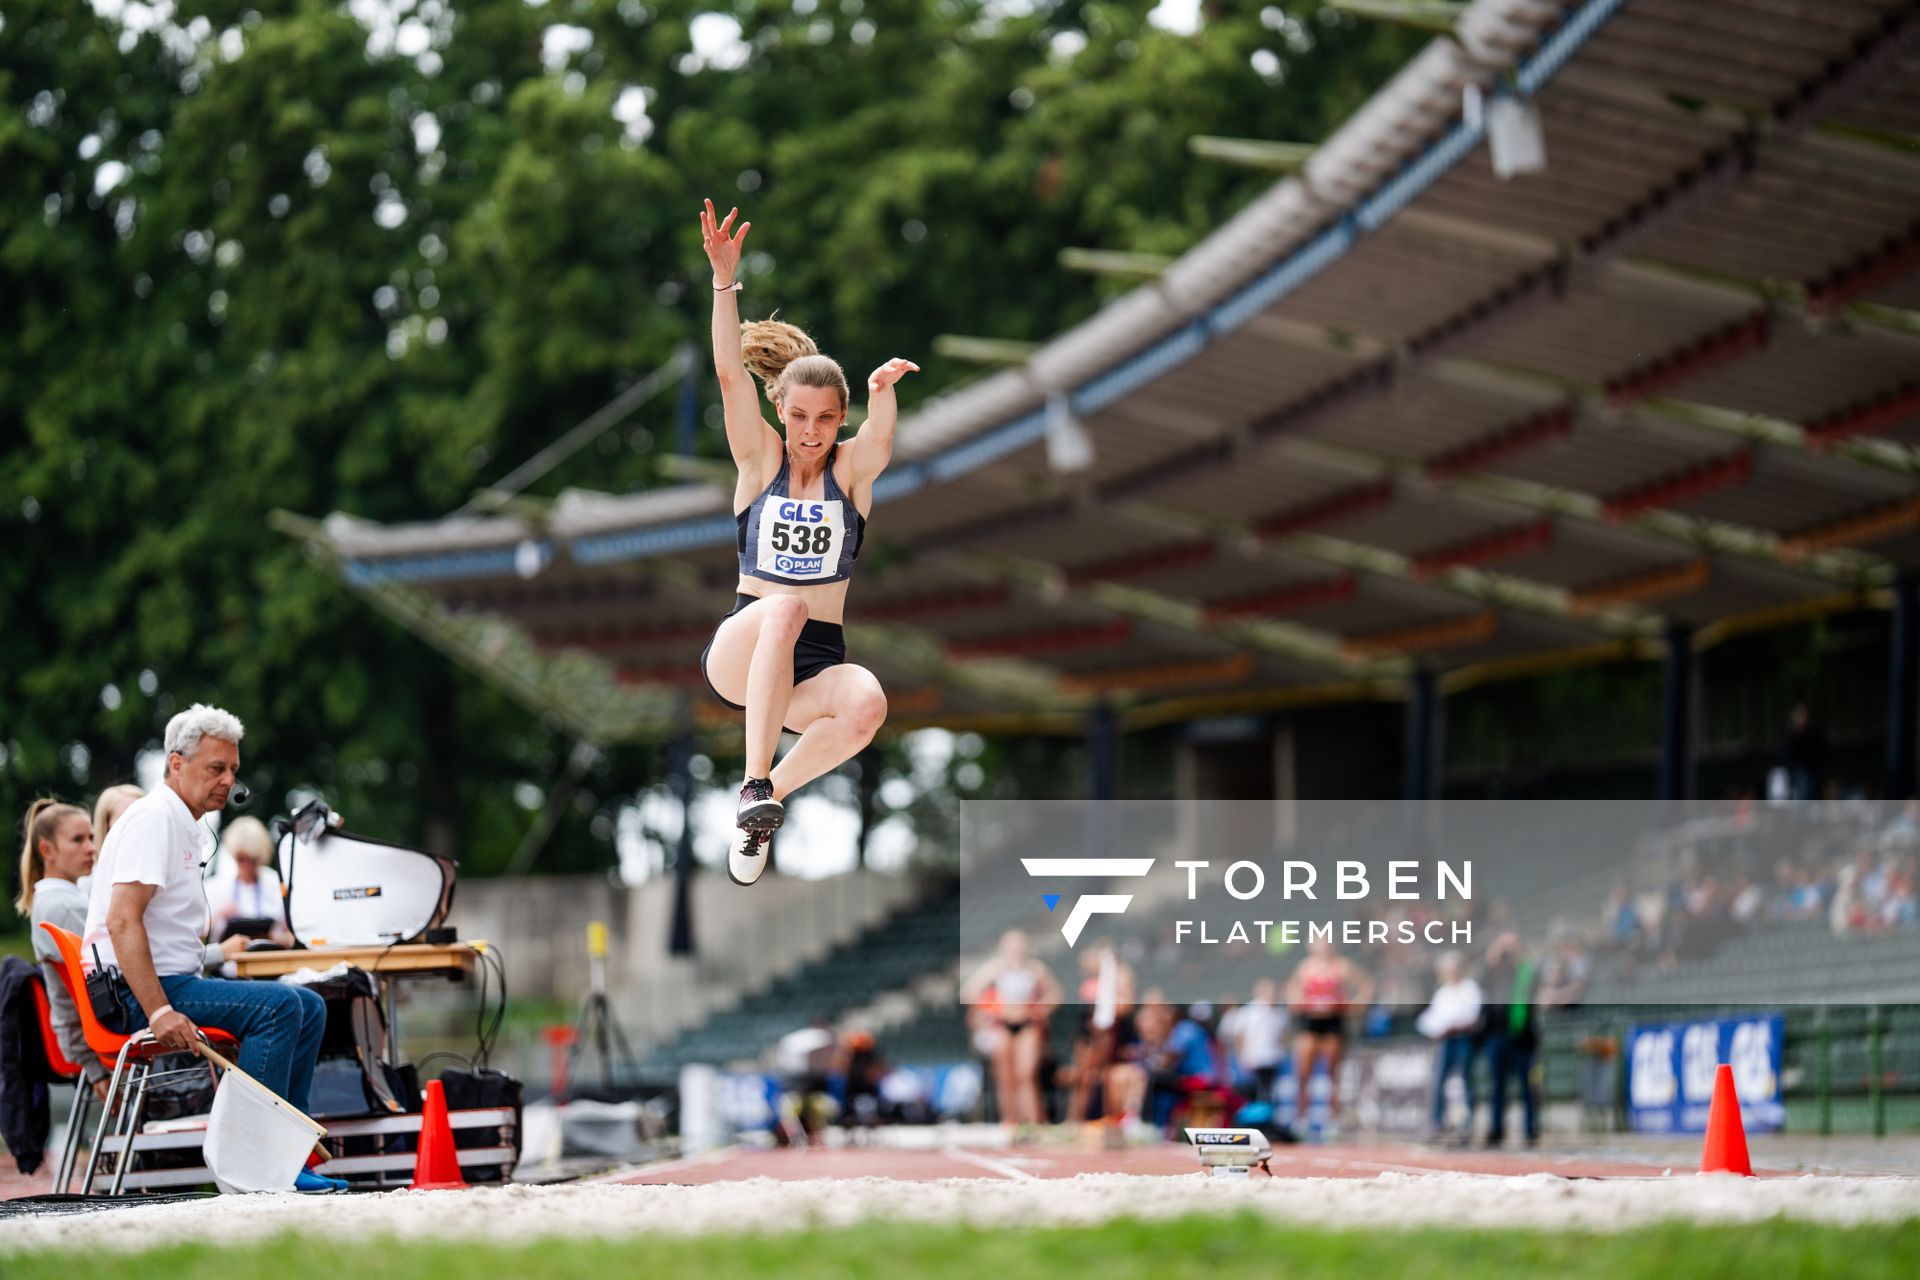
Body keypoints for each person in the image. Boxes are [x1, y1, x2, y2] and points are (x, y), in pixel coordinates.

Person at [696, 199, 918, 886]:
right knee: (787, 605)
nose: (811, 431)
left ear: (839, 417)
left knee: (866, 706)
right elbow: (731, 374)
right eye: (798, 416)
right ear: (780, 412)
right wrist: (723, 283)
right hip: (746, 646)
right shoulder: (759, 463)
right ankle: (754, 780)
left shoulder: (850, 473)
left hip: (812, 666)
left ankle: (764, 807)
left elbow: (879, 441)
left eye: (826, 419)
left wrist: (883, 394)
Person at [79, 704, 344, 1192]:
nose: (227, 780)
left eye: (233, 769)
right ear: (176, 764)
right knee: (281, 1007)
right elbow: (121, 920)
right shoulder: (153, 819)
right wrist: (158, 1012)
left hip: (169, 982)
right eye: (215, 768)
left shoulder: (185, 823)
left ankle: (288, 1156)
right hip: (136, 994)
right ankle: (256, 1165)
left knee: (309, 1003)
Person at [16, 799, 111, 1097]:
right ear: (47, 850)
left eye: (92, 838)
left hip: (90, 1042)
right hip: (99, 1042)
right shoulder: (64, 907)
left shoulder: (59, 900)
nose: (91, 848)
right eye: (78, 840)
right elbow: (120, 971)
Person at [960, 930, 1060, 1132]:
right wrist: (993, 1010)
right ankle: (1011, 1122)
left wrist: (1038, 1010)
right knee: (1005, 1077)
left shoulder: (1035, 968)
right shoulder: (996, 968)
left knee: (1025, 1074)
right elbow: (969, 991)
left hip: (1027, 1026)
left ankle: (1034, 1122)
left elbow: (1055, 994)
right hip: (1003, 1026)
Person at [1285, 938, 1372, 1131]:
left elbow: (1365, 984)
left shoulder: (1340, 965)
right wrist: (1295, 1001)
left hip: (1333, 1022)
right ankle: (1301, 1119)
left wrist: (1357, 1005)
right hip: (1310, 1021)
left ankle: (1333, 1120)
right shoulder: (1306, 966)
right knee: (1303, 1072)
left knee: (1332, 1073)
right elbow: (1292, 987)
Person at [1478, 931, 1539, 1148]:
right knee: (1497, 1086)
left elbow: (1533, 989)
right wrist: (1492, 957)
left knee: (1526, 1085)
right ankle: (1496, 1129)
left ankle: (1530, 1129)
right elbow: (1482, 985)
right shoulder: (1493, 972)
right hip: (1496, 1035)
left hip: (1522, 1037)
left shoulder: (1526, 970)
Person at [1417, 952, 1483, 1143]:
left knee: (1465, 1081)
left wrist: (1454, 1024)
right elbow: (1433, 1017)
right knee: (1439, 1082)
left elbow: (1472, 1016)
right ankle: (1438, 1124)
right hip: (1445, 1040)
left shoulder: (1470, 988)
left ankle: (1466, 1125)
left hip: (1463, 1038)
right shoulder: (1442, 992)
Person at [208, 816, 294, 946]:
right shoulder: (217, 886)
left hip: (267, 960)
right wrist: (221, 914)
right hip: (229, 964)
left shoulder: (276, 882)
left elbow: (291, 936)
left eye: (252, 859)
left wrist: (274, 936)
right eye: (241, 859)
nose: (246, 865)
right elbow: (199, 932)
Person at [1221, 977, 1290, 1106]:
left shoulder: (1280, 1012)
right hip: (1253, 1059)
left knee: (1269, 1091)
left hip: (1273, 1058)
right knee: (1252, 1091)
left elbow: (1282, 1037)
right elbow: (1239, 1036)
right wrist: (1241, 1056)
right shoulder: (1248, 1012)